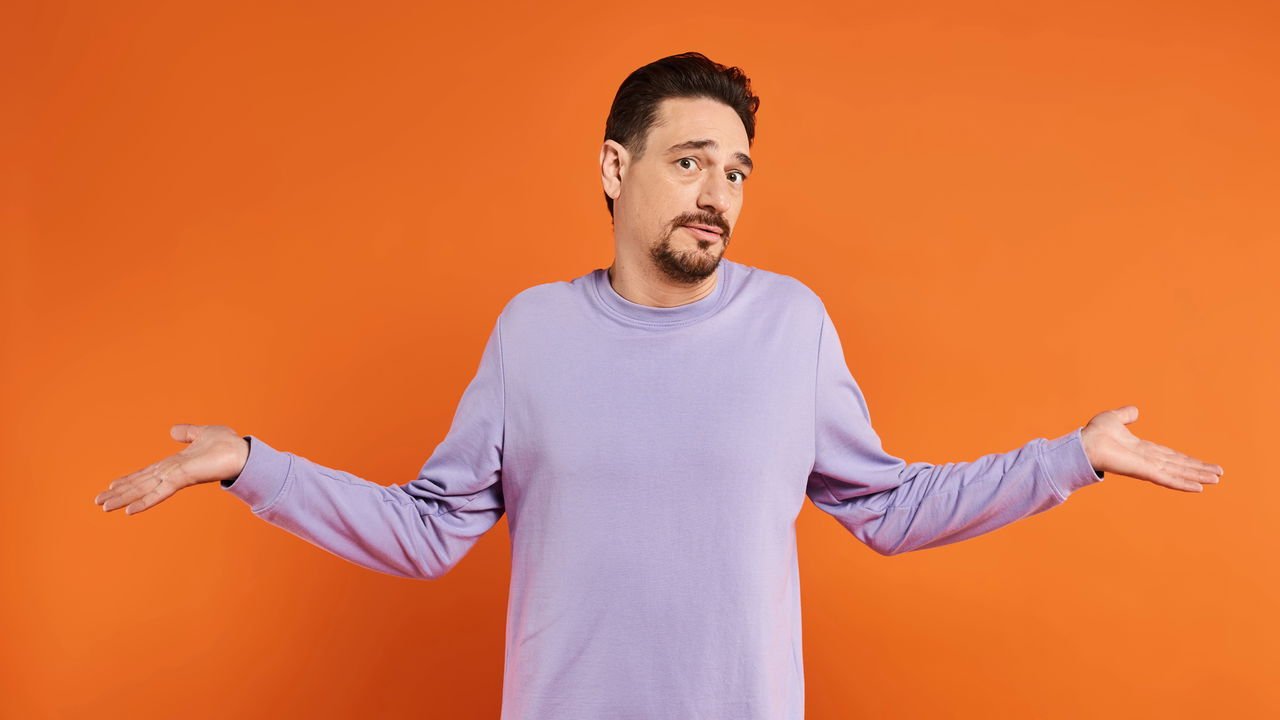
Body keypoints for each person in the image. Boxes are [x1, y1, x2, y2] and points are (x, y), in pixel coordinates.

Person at [93, 51, 1224, 720]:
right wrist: (251, 465)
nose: (717, 194)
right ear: (613, 166)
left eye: (736, 171)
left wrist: (1070, 458)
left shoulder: (790, 325)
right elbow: (429, 529)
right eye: (688, 162)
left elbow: (888, 505)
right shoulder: (531, 333)